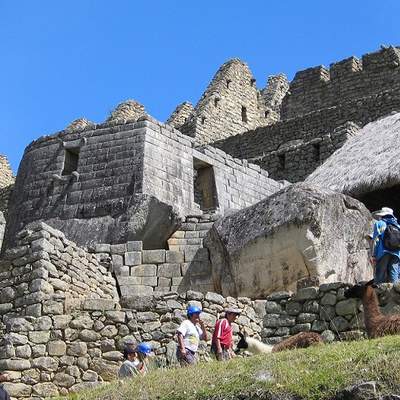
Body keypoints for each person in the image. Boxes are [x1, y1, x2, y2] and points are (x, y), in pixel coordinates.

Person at [371, 207, 400, 283]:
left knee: (380, 273)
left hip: (383, 252)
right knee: (394, 274)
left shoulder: (379, 223)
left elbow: (376, 240)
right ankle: (395, 292)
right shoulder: (398, 226)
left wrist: (373, 255)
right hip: (396, 253)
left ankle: (378, 292)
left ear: (382, 215)